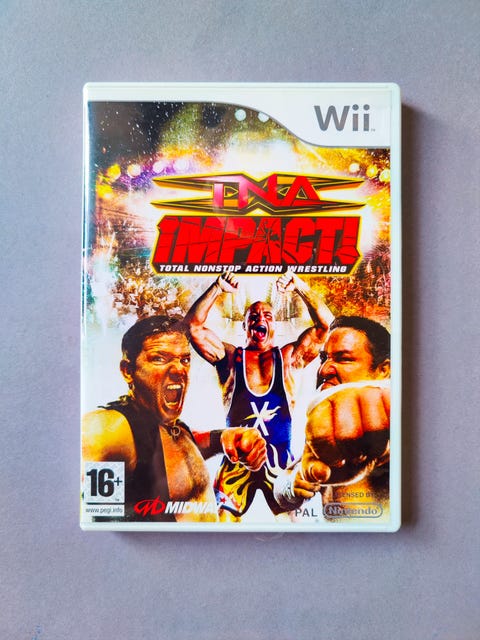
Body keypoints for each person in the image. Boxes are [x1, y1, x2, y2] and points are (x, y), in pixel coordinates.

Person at [82, 316, 266, 523]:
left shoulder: (168, 425)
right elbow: (90, 444)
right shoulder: (112, 428)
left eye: (184, 360)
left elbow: (174, 452)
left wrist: (222, 439)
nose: (179, 370)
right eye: (160, 359)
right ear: (128, 371)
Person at [185, 270, 334, 519]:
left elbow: (326, 326)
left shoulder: (289, 358)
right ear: (245, 326)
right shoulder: (230, 358)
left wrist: (299, 285)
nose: (259, 319)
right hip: (236, 461)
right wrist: (217, 287)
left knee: (293, 529)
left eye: (267, 316)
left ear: (274, 325)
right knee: (221, 528)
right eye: (253, 316)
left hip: (279, 461)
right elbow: (193, 327)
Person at [274, 315, 391, 512]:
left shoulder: (397, 420)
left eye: (344, 359)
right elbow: (283, 486)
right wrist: (292, 484)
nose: (324, 369)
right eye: (324, 358)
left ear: (383, 370)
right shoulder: (325, 422)